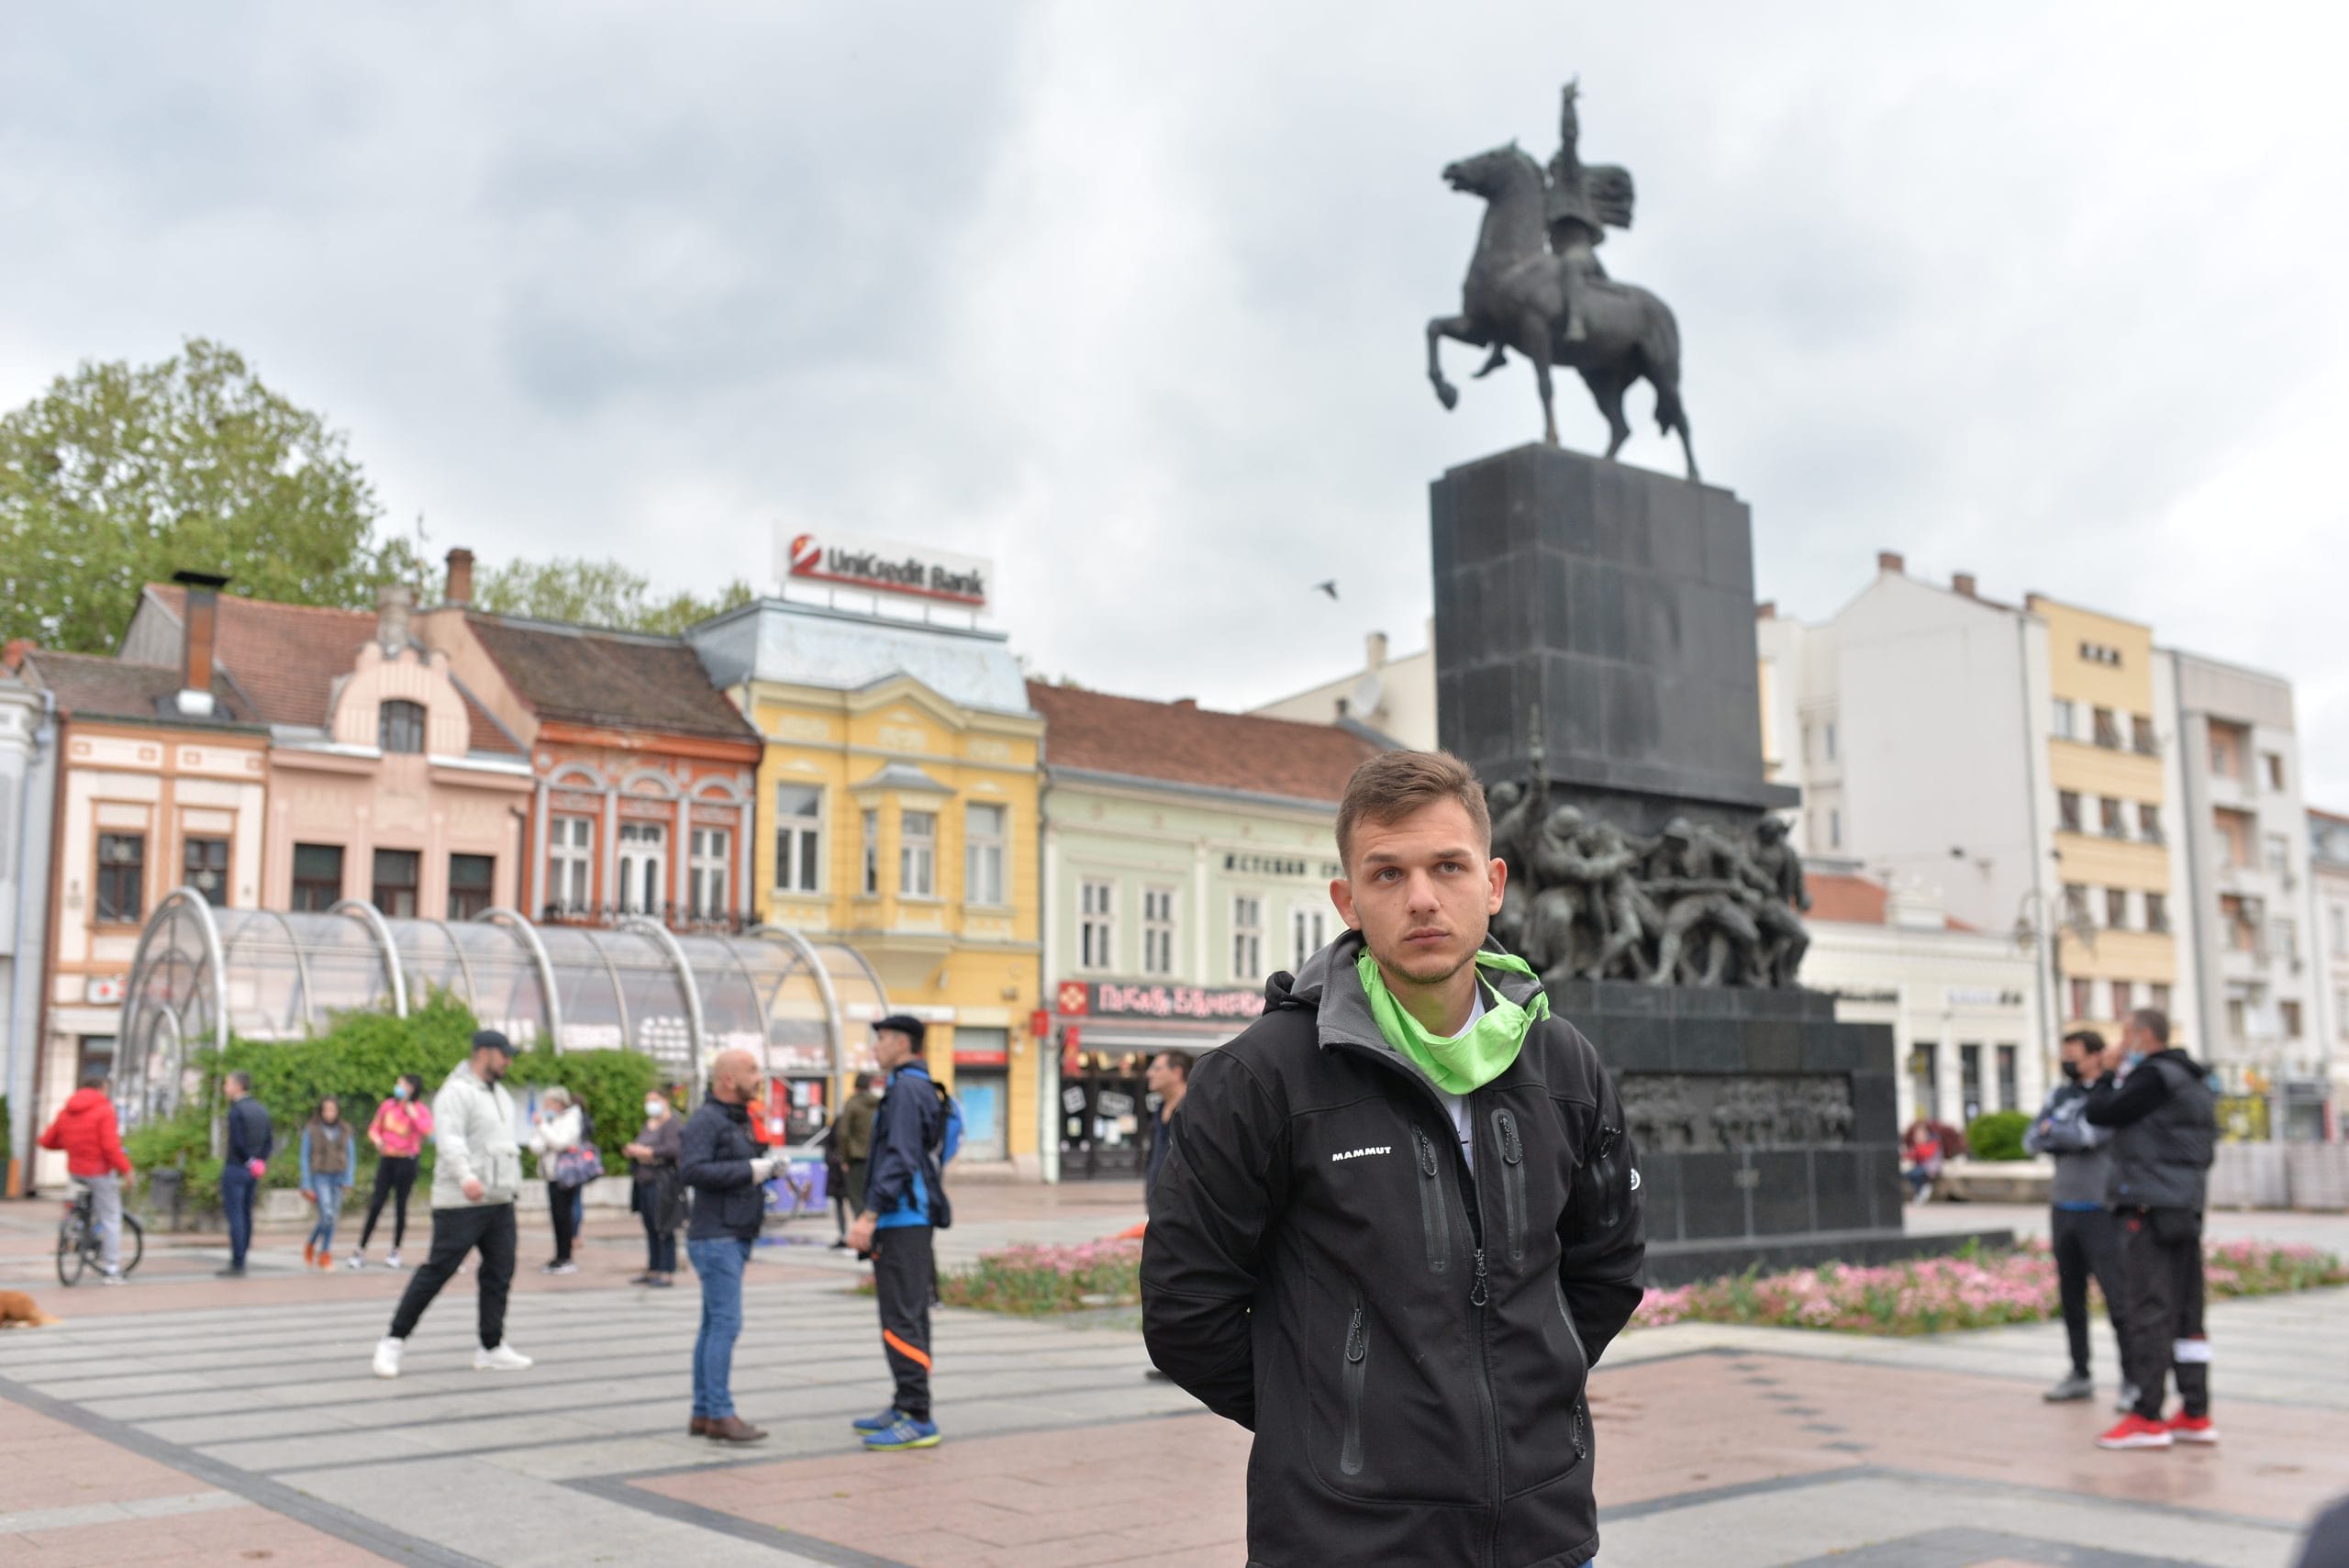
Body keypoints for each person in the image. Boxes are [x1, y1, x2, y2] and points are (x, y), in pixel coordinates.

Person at [1142, 750, 1644, 1567]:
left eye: (1448, 866)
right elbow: (1184, 1310)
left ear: (1492, 883)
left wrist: (1518, 1393)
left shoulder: (1564, 1065)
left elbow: (1608, 1267)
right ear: (1347, 898)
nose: (1421, 898)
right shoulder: (1260, 1076)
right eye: (1387, 873)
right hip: (1346, 1540)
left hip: (1542, 1532)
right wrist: (1338, 1426)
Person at [2086, 1007, 2219, 1451]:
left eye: (2125, 1035)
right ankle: (2196, 1412)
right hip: (2185, 1204)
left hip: (2149, 1203)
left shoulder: (2153, 1077)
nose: (2121, 1045)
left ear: (2143, 1036)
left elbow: (2101, 1113)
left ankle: (2147, 1414)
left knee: (2148, 1308)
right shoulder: (2195, 1079)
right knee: (2187, 1312)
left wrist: (2106, 1073)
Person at [373, 1031, 533, 1378]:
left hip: (499, 1199)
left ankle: (491, 1347)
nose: (509, 1061)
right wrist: (465, 1177)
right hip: (462, 1199)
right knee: (438, 1270)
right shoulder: (456, 1092)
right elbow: (449, 1139)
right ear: (484, 1053)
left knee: (499, 1272)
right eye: (505, 1055)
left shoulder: (501, 1095)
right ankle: (392, 1341)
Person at [845, 1016, 952, 1452]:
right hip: (906, 1216)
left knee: (901, 1317)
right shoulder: (910, 1085)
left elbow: (902, 1156)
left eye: (882, 1039)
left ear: (903, 1042)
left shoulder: (906, 1089)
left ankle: (918, 1415)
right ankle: (905, 1404)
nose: (876, 1047)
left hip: (903, 1217)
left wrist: (869, 1214)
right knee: (906, 1314)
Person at [2024, 1029, 2134, 1408]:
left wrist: (2054, 1131)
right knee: (2072, 1299)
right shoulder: (2060, 1095)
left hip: (2100, 1210)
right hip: (2063, 1208)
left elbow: (2090, 1135)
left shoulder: (2110, 1094)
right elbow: (2030, 1139)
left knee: (2118, 1299)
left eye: (2074, 1054)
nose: (2067, 1061)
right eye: (2064, 1053)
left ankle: (2133, 1380)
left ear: (2096, 1057)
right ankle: (2079, 1373)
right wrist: (2057, 1133)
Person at [680, 1047, 778, 1443]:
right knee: (725, 1324)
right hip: (716, 1234)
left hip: (730, 1231)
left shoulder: (734, 1120)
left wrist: (765, 1167)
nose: (759, 1076)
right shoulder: (707, 1120)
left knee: (712, 1326)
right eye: (752, 1070)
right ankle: (719, 1413)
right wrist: (750, 1170)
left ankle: (703, 1413)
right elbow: (691, 1169)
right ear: (728, 1079)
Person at [39, 1068, 133, 1284]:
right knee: (111, 1217)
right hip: (98, 1171)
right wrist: (126, 1169)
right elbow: (110, 1146)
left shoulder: (67, 1111)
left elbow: (47, 1141)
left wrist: (71, 1143)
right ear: (101, 1088)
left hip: (76, 1170)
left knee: (77, 1202)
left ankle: (75, 1229)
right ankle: (112, 1269)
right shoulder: (103, 1110)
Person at [351, 1074, 431, 1270]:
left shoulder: (419, 1109)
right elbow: (374, 1128)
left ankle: (395, 1250)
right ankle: (360, 1249)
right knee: (376, 1203)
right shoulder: (388, 1106)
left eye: (402, 1084)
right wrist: (377, 1140)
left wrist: (412, 1114)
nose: (398, 1087)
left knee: (400, 1206)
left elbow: (427, 1131)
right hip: (387, 1159)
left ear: (412, 1088)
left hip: (407, 1160)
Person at [625, 1091, 685, 1286]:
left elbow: (674, 1149)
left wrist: (649, 1151)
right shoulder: (649, 1124)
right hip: (645, 1181)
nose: (651, 1105)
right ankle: (653, 1268)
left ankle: (667, 1271)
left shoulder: (672, 1124)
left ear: (665, 1101)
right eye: (648, 1101)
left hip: (663, 1182)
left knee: (664, 1226)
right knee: (650, 1227)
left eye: (655, 1100)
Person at [218, 1071, 272, 1278]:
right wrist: (259, 1161)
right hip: (254, 1171)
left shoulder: (236, 1111)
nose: (225, 1088)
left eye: (228, 1084)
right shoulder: (261, 1110)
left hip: (236, 1168)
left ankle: (237, 1260)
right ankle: (244, 1254)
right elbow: (269, 1141)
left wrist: (248, 1160)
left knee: (236, 1215)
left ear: (238, 1086)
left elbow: (237, 1142)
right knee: (247, 1213)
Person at [529, 1086, 584, 1275]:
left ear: (559, 1103)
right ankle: (558, 1255)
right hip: (551, 1173)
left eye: (549, 1103)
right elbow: (536, 1145)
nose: (546, 1106)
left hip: (565, 1175)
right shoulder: (550, 1120)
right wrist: (545, 1133)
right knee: (556, 1217)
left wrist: (543, 1129)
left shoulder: (571, 1118)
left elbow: (561, 1142)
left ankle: (566, 1257)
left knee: (564, 1216)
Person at [298, 1096, 354, 1270]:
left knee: (331, 1218)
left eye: (333, 1110)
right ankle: (319, 1249)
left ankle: (319, 1248)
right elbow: (304, 1157)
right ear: (321, 1111)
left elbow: (352, 1156)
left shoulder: (345, 1130)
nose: (329, 1113)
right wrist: (306, 1183)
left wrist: (348, 1178)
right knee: (327, 1215)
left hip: (338, 1176)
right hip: (320, 1176)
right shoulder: (312, 1129)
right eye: (326, 1110)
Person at [834, 1072, 881, 1251]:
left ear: (855, 1086)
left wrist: (844, 1158)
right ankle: (875, 1239)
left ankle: (863, 1243)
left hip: (856, 1159)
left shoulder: (852, 1104)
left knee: (857, 1200)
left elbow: (843, 1133)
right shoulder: (878, 1103)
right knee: (872, 1198)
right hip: (876, 1159)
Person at [1143, 1051, 1190, 1194]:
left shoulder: (1193, 1109)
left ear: (1176, 1072)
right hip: (1158, 1204)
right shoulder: (1159, 1109)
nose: (1149, 1073)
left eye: (1156, 1069)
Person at [1901, 1117, 1944, 1203]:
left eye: (1920, 1132)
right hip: (1923, 1168)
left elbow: (1924, 1154)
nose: (1917, 1135)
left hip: (1931, 1169)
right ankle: (1921, 1191)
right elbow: (1913, 1155)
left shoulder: (1932, 1142)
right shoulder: (1921, 1143)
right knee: (1909, 1175)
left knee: (1914, 1174)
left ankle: (1922, 1190)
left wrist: (1918, 1145)